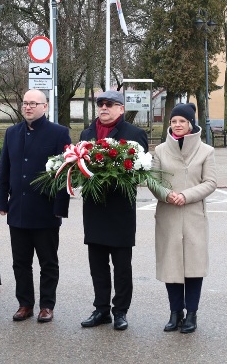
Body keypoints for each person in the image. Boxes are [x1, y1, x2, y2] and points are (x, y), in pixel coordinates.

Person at [0, 89, 71, 324]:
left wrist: (61, 207)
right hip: (18, 208)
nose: (28, 107)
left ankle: (47, 305)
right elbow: (4, 169)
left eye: (34, 103)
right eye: (25, 103)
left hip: (45, 210)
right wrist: (1, 201)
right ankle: (25, 303)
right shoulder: (12, 133)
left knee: (48, 261)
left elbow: (65, 172)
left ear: (45, 106)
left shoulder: (59, 133)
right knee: (20, 262)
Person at [79, 90, 148, 331]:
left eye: (109, 104)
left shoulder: (134, 134)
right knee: (97, 264)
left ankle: (120, 311)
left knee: (121, 266)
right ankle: (101, 309)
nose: (103, 108)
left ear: (121, 108)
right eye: (100, 104)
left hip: (120, 211)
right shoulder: (87, 134)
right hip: (94, 209)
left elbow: (140, 171)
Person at [149, 103, 217, 334]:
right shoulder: (159, 151)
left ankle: (192, 314)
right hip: (168, 214)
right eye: (174, 121)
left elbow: (210, 182)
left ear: (191, 124)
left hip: (193, 215)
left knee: (193, 267)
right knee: (172, 266)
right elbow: (152, 180)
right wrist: (167, 194)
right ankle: (175, 312)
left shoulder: (206, 151)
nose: (177, 125)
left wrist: (185, 196)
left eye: (182, 121)